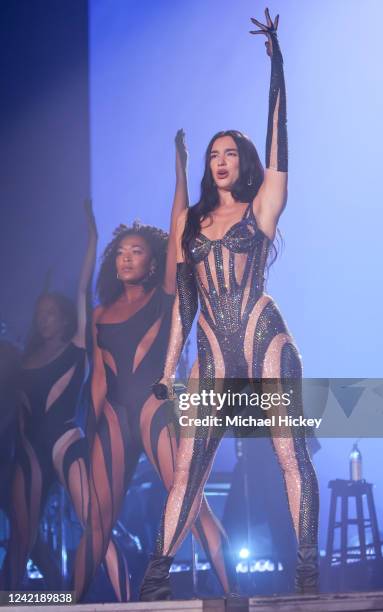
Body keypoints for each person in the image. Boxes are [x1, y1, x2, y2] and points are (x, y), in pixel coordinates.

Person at [141, 9, 320, 600]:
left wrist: (278, 66)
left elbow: (279, 144)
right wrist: (167, 372)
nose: (221, 160)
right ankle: (156, 579)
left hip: (264, 336)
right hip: (213, 351)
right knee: (189, 466)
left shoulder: (261, 209)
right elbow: (182, 305)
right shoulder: (191, 225)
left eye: (229, 153)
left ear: (242, 162)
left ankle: (307, 568)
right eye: (213, 154)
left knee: (289, 452)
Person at [73, 131, 236, 602]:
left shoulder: (165, 297)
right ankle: (64, 603)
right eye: (120, 253)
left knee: (190, 503)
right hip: (113, 420)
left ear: (151, 261)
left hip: (156, 408)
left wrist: (182, 169)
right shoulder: (102, 316)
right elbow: (100, 378)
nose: (126, 258)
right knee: (97, 522)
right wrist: (92, 432)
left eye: (135, 252)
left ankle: (236, 595)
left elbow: (179, 223)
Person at [2, 200, 97, 589]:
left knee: (93, 521)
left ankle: (90, 599)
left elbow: (81, 288)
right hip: (27, 452)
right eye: (38, 314)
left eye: (49, 313)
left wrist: (92, 236)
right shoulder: (23, 359)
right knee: (22, 538)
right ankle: (20, 603)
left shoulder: (75, 347)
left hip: (63, 442)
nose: (43, 319)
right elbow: (17, 413)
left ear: (62, 316)